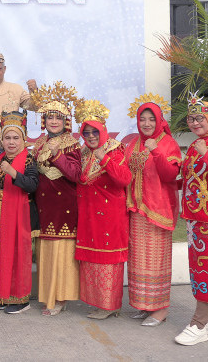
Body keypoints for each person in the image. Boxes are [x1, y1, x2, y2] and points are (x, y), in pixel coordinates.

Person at [125, 94, 180, 327]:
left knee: (156, 261)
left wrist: (156, 150)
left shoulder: (168, 143)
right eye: (142, 119)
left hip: (157, 211)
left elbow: (170, 175)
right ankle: (144, 305)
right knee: (139, 260)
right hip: (137, 212)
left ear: (159, 121)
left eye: (151, 119)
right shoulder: (133, 144)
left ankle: (161, 310)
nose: (146, 124)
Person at [75, 100, 131, 320]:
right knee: (91, 259)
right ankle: (99, 304)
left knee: (107, 260)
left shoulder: (114, 150)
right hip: (88, 214)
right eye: (86, 132)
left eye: (94, 131)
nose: (90, 136)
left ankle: (110, 306)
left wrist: (105, 160)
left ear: (103, 131)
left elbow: (124, 179)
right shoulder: (83, 152)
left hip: (110, 215)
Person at [29, 83, 82, 316]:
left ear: (66, 122)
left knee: (62, 252)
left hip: (64, 206)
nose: (53, 122)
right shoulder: (38, 144)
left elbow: (75, 175)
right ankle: (48, 296)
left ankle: (60, 297)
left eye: (58, 118)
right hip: (44, 205)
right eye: (49, 117)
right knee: (46, 252)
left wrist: (57, 154)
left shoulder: (72, 144)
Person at [175, 94, 208, 345]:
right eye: (191, 118)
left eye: (199, 118)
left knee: (207, 270)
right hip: (196, 219)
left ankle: (198, 324)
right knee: (205, 268)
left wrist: (207, 155)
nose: (194, 123)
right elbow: (192, 179)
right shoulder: (195, 145)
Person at [0, 109, 39, 314]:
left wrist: (13, 173)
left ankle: (20, 299)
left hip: (19, 217)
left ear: (23, 139)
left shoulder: (28, 160)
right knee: (1, 256)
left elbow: (32, 185)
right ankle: (4, 295)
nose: (11, 142)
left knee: (19, 257)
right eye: (7, 137)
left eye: (16, 138)